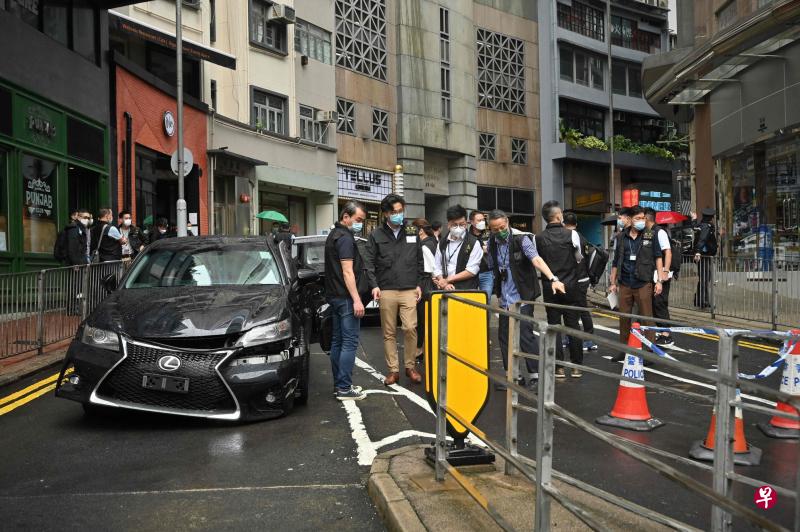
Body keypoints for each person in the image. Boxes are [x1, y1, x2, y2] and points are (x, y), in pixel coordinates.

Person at [486, 209, 565, 390]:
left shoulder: (522, 239)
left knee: (525, 335)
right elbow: (492, 266)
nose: (499, 231)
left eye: (502, 227)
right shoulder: (492, 242)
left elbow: (536, 259)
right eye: (495, 229)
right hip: (505, 297)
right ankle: (513, 377)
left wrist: (553, 278)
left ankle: (536, 376)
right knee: (504, 336)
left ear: (507, 222)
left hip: (523, 297)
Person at [364, 194, 425, 385]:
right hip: (386, 289)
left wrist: (419, 284)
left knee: (409, 328)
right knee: (388, 332)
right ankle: (393, 370)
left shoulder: (412, 231)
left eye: (400, 211)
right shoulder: (376, 235)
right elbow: (369, 262)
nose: (398, 215)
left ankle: (410, 366)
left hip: (409, 288)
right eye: (394, 212)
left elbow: (420, 260)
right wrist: (374, 285)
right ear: (386, 214)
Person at [324, 201, 370, 401]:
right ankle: (344, 388)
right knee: (349, 343)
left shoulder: (333, 235)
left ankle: (339, 385)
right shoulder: (344, 239)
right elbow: (348, 271)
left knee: (338, 341)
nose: (360, 223)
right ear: (346, 217)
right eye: (358, 219)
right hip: (345, 298)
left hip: (335, 296)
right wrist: (357, 300)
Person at [535, 201, 585, 378]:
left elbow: (538, 260)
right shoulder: (572, 234)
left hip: (550, 287)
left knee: (553, 326)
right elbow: (579, 257)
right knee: (573, 326)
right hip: (571, 286)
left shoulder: (538, 238)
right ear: (558, 216)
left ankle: (558, 368)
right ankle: (577, 365)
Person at [609, 206, 663, 359]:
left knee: (647, 318)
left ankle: (648, 352)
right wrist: (613, 282)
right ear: (630, 219)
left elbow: (658, 257)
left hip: (643, 282)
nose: (641, 221)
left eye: (643, 218)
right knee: (624, 317)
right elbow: (615, 261)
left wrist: (659, 280)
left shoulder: (650, 235)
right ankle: (623, 349)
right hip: (625, 282)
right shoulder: (621, 237)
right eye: (638, 218)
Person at [563, 212, 598, 352]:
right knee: (579, 309)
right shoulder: (582, 238)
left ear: (563, 224)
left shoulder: (569, 238)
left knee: (576, 309)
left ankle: (588, 340)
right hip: (583, 278)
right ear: (576, 224)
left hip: (574, 279)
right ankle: (576, 337)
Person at [433, 204, 483, 291]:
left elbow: (472, 271)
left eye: (462, 224)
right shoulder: (442, 243)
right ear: (448, 224)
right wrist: (443, 282)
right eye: (455, 225)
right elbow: (437, 266)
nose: (459, 228)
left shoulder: (473, 243)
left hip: (466, 290)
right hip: (445, 289)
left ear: (466, 224)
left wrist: (447, 280)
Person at [644, 208, 674, 347]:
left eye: (640, 218)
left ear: (646, 219)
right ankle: (660, 331)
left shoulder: (660, 232)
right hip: (653, 272)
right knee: (654, 303)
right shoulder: (648, 232)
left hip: (661, 273)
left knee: (660, 302)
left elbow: (667, 252)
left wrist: (665, 271)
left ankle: (666, 335)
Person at [412, 218, 437, 362]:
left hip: (424, 283)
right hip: (431, 283)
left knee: (421, 320)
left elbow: (432, 267)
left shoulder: (424, 246)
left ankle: (419, 349)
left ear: (420, 230)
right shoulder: (434, 242)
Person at [692, 208, 718, 309]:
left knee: (704, 279)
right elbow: (702, 239)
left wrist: (694, 219)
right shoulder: (706, 227)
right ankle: (703, 301)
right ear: (711, 218)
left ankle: (700, 300)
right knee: (704, 279)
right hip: (704, 256)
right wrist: (698, 251)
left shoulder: (700, 225)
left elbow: (694, 227)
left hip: (703, 256)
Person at [469, 210, 494, 301]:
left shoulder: (490, 233)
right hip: (470, 274)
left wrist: (489, 249)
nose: (482, 222)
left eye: (483, 220)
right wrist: (480, 250)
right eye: (479, 220)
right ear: (472, 222)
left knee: (486, 300)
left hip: (487, 272)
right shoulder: (467, 236)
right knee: (472, 301)